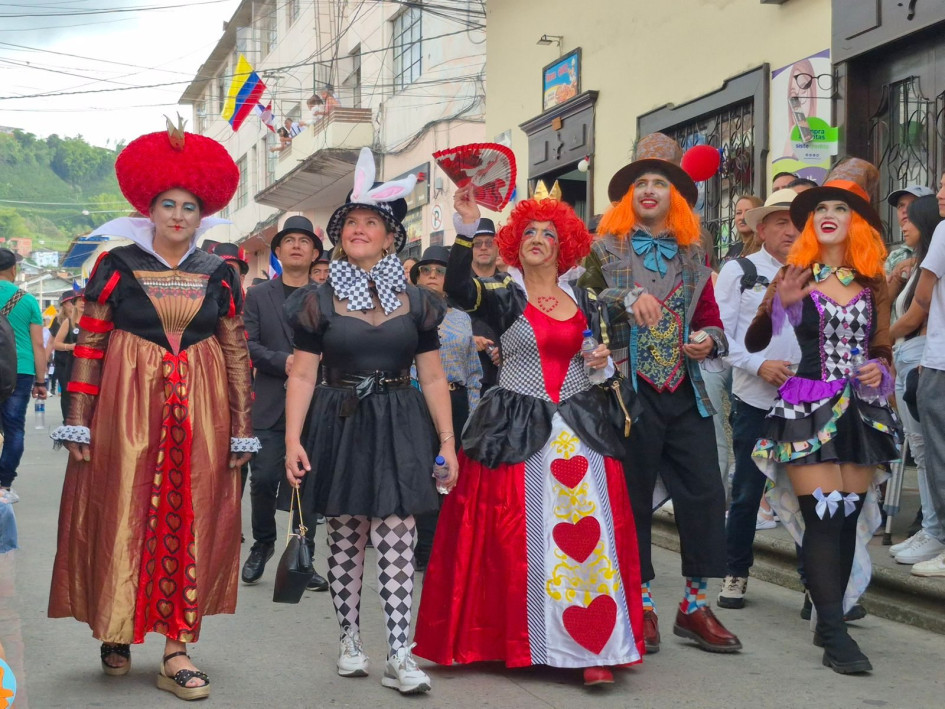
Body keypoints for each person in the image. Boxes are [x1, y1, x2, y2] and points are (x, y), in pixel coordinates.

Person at [47, 123, 256, 701]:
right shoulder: (115, 263)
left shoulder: (222, 273)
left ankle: (176, 646)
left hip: (203, 409)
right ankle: (116, 627)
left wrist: (241, 428)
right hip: (126, 405)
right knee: (122, 507)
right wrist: (78, 418)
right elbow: (89, 343)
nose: (178, 214)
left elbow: (236, 353)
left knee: (192, 513)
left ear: (201, 214)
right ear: (151, 208)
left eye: (189, 206)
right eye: (168, 204)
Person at [415, 184, 643, 687]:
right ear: (516, 243)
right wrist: (470, 229)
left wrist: (602, 364)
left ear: (566, 245)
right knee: (510, 539)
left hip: (581, 432)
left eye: (549, 232)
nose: (539, 238)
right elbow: (457, 287)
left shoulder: (587, 299)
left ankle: (591, 648)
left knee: (589, 539)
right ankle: (510, 639)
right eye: (530, 232)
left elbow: (603, 369)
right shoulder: (502, 295)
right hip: (515, 430)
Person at [284, 148, 457, 695]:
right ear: (340, 237)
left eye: (371, 222)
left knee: (398, 535)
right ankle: (351, 642)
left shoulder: (418, 303)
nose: (360, 229)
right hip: (338, 419)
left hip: (402, 419)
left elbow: (432, 377)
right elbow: (303, 376)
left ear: (389, 237)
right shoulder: (317, 300)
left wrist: (448, 443)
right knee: (346, 535)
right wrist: (291, 438)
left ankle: (400, 652)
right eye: (351, 222)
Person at [579, 132, 740, 655]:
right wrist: (626, 297)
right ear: (629, 196)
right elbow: (583, 300)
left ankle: (694, 606)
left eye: (661, 182)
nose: (650, 190)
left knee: (704, 493)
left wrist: (705, 341)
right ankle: (640, 601)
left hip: (685, 392)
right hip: (629, 394)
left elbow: (714, 321)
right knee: (633, 502)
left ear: (677, 195)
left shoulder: (695, 255)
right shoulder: (602, 247)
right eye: (641, 182)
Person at [746, 177, 900, 674]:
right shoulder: (794, 273)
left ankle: (826, 617)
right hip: (806, 406)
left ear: (856, 224)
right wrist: (783, 303)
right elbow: (754, 340)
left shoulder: (872, 280)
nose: (828, 213)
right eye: (820, 209)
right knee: (824, 518)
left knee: (848, 521)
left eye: (841, 208)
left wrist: (881, 367)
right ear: (810, 224)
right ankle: (834, 632)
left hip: (859, 410)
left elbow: (881, 346)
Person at [714, 189, 801, 609]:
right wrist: (758, 365)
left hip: (807, 402)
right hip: (755, 399)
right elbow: (719, 336)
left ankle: (815, 584)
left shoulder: (817, 271)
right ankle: (735, 573)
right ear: (761, 228)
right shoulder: (740, 270)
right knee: (748, 491)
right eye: (780, 222)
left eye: (795, 222)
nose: (790, 230)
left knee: (808, 493)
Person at [242, 216, 328, 592]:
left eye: (303, 241)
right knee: (262, 479)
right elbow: (248, 343)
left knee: (307, 485)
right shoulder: (259, 296)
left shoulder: (328, 296)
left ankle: (303, 558)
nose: (296, 246)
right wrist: (285, 362)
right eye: (288, 240)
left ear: (314, 253)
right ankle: (263, 542)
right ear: (277, 252)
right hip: (271, 403)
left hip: (316, 404)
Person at [409, 245, 481, 570]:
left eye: (440, 271)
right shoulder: (404, 316)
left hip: (457, 401)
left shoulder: (462, 319)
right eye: (427, 270)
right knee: (425, 475)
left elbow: (474, 371)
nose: (433, 276)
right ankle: (426, 549)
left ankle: (450, 546)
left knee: (451, 475)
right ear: (417, 278)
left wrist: (475, 412)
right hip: (416, 401)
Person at [886, 195, 944, 565]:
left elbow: (920, 306)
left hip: (924, 355)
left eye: (908, 217)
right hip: (915, 355)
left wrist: (882, 339)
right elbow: (896, 299)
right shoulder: (914, 261)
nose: (902, 223)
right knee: (924, 452)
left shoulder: (940, 237)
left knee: (930, 452)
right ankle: (933, 529)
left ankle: (936, 532)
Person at [902, 172, 945, 578]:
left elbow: (923, 297)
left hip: (939, 364)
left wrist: (884, 334)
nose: (943, 194)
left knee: (939, 458)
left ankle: (942, 543)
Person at [0, 248, 47, 505]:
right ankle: (4, 486)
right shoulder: (27, 300)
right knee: (14, 427)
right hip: (20, 369)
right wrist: (41, 381)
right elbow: (38, 344)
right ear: (14, 269)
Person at [467, 217, 505, 391]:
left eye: (489, 243)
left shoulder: (510, 284)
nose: (483, 247)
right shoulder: (458, 286)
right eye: (477, 243)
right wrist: (469, 340)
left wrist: (506, 350)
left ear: (498, 247)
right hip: (469, 378)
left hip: (506, 380)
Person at [885, 185, 935, 286]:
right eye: (900, 206)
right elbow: (882, 298)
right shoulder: (895, 256)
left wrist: (915, 263)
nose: (905, 210)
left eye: (913, 204)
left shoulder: (939, 244)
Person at [52, 290, 84, 421]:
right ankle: (68, 422)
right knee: (67, 393)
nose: (83, 303)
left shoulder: (93, 321)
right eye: (80, 300)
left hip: (87, 363)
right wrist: (70, 347)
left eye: (86, 300)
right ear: (74, 303)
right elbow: (56, 343)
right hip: (68, 363)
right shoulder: (68, 322)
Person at [722, 195, 763, 263]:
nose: (742, 217)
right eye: (738, 213)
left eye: (748, 212)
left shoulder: (764, 249)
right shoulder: (734, 248)